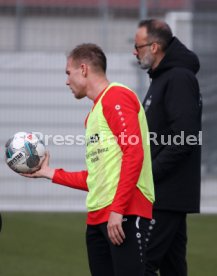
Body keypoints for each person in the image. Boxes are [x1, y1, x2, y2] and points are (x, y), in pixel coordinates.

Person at [22, 43, 155, 276]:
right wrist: (48, 173)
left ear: (83, 69)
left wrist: (118, 210)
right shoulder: (93, 114)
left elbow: (134, 154)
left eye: (68, 72)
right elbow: (96, 178)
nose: (66, 81)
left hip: (124, 212)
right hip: (97, 218)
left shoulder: (117, 96)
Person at [134, 19, 202, 276]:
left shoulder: (178, 78)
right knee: (173, 267)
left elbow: (185, 137)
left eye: (137, 46)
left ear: (154, 47)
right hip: (164, 193)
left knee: (141, 264)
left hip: (165, 193)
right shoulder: (162, 78)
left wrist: (150, 174)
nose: (134, 51)